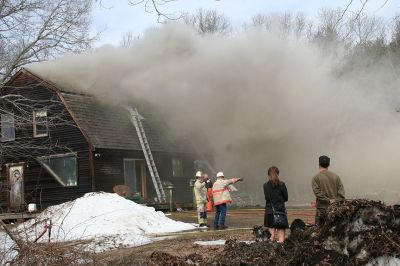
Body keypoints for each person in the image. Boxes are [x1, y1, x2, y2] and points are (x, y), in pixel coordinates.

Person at [312, 155, 345, 226]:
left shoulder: (315, 178)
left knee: (318, 231)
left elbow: (317, 193)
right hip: (335, 209)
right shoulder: (336, 177)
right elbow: (341, 193)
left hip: (322, 209)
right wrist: (336, 201)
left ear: (319, 164)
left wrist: (328, 200)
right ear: (329, 165)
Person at [263, 166, 289, 243]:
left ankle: (271, 253)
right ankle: (280, 253)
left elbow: (267, 198)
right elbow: (286, 198)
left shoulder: (265, 185)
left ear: (268, 175)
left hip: (269, 212)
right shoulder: (282, 184)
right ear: (278, 174)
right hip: (280, 212)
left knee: (271, 238)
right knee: (281, 240)